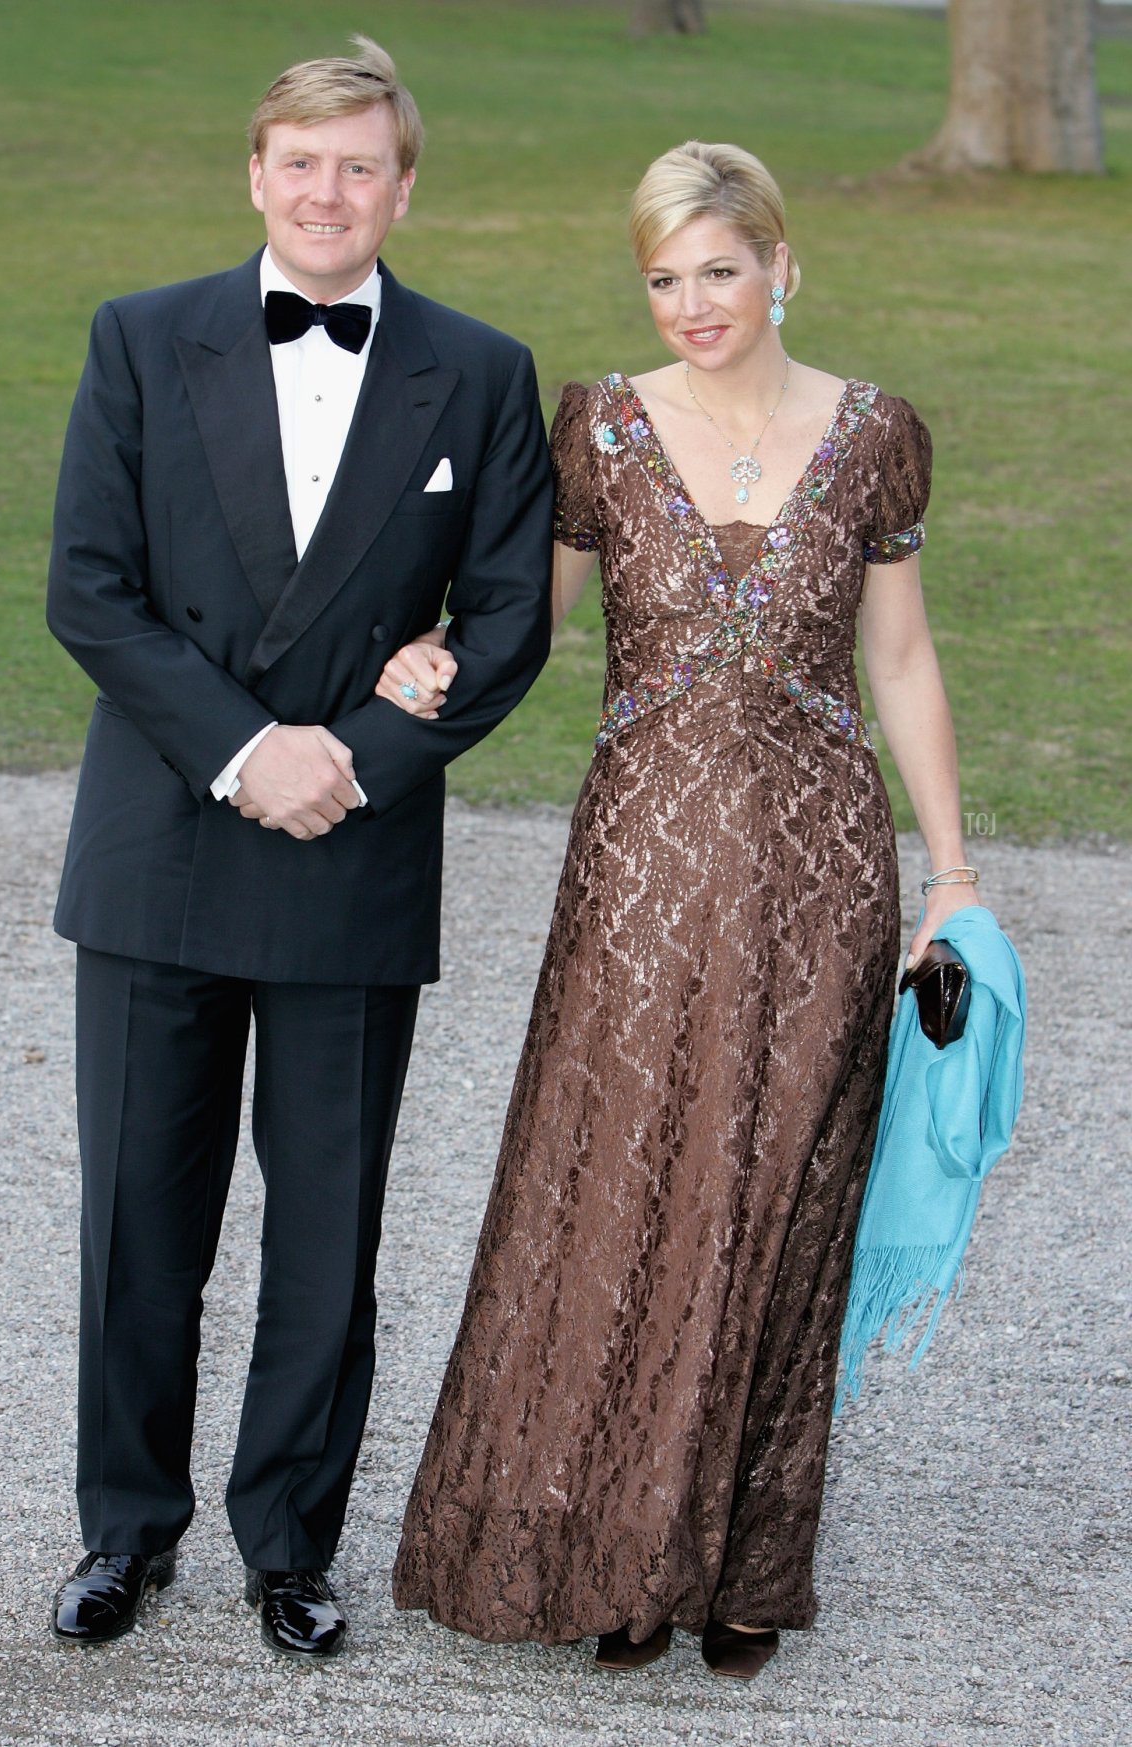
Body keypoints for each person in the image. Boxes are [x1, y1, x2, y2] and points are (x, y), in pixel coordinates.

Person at [383, 141, 980, 1679]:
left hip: (819, 874)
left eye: (721, 268)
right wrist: (428, 652)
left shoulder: (874, 437)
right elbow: (525, 617)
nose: (694, 301)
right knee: (628, 1199)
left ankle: (743, 1568)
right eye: (664, 275)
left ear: (783, 266)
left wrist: (954, 873)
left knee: (779, 1209)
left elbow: (901, 659)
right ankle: (626, 1558)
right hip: (638, 881)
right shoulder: (600, 428)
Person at [45, 38, 552, 1660]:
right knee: (140, 1222)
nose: (328, 193)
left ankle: (291, 1546)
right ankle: (125, 1531)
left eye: (360, 166)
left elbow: (508, 616)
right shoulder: (141, 338)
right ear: (254, 173)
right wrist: (247, 751)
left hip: (354, 849)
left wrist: (357, 762)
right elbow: (90, 590)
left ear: (403, 189)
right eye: (302, 162)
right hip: (165, 844)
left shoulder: (481, 371)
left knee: (326, 1234)